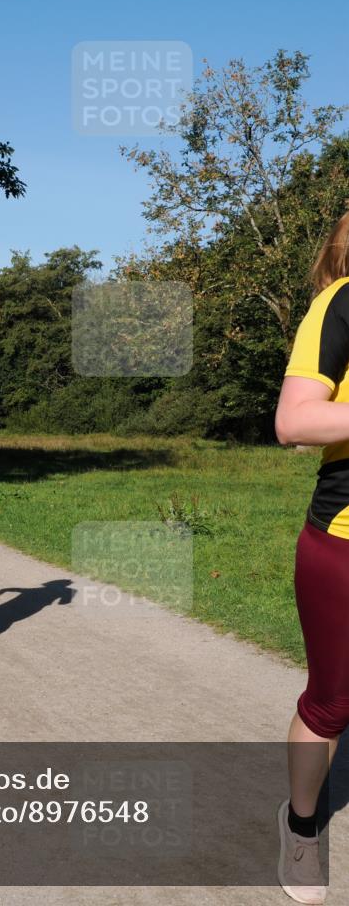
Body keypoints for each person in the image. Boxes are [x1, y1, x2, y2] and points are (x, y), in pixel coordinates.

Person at [274, 210, 349, 905]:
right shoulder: (341, 301)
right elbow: (294, 421)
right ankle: (301, 826)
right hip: (345, 540)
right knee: (333, 702)